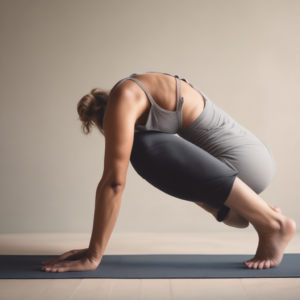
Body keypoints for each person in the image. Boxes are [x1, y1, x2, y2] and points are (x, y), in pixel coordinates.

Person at [41, 71, 296, 273]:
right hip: (251, 159)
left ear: (105, 119)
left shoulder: (124, 95)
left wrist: (93, 255)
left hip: (241, 161)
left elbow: (113, 183)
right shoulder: (140, 89)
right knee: (157, 153)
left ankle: (272, 224)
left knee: (141, 148)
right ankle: (248, 209)